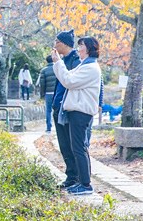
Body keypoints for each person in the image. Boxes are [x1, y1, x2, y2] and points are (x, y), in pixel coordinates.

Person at [52, 36, 102, 196]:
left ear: (88, 49)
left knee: (79, 148)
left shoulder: (90, 68)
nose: (78, 49)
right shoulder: (84, 66)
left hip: (81, 113)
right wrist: (59, 63)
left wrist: (57, 62)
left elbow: (68, 80)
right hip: (77, 112)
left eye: (81, 46)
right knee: (77, 147)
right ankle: (81, 182)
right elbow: (67, 76)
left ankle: (86, 184)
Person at [52, 30, 81, 188]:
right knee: (63, 144)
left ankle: (76, 177)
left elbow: (71, 82)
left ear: (63, 43)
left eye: (56, 42)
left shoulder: (76, 61)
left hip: (69, 108)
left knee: (71, 145)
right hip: (59, 106)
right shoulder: (62, 59)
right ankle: (71, 176)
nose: (54, 45)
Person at [37, 56, 57, 133]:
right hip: (56, 93)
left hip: (48, 93)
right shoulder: (57, 68)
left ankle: (49, 128)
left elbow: (42, 84)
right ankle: (59, 127)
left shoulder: (44, 70)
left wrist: (42, 94)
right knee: (57, 110)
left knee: (48, 110)